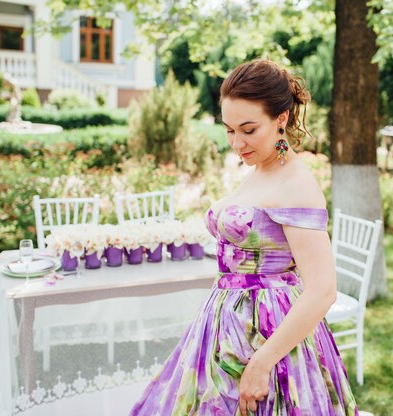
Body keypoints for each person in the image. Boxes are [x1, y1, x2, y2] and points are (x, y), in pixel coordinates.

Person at [129, 59, 359, 415]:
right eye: (229, 130)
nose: (237, 143)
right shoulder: (261, 169)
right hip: (222, 328)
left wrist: (262, 363)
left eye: (249, 130)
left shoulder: (296, 184)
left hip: (269, 339)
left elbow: (322, 290)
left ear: (281, 118)